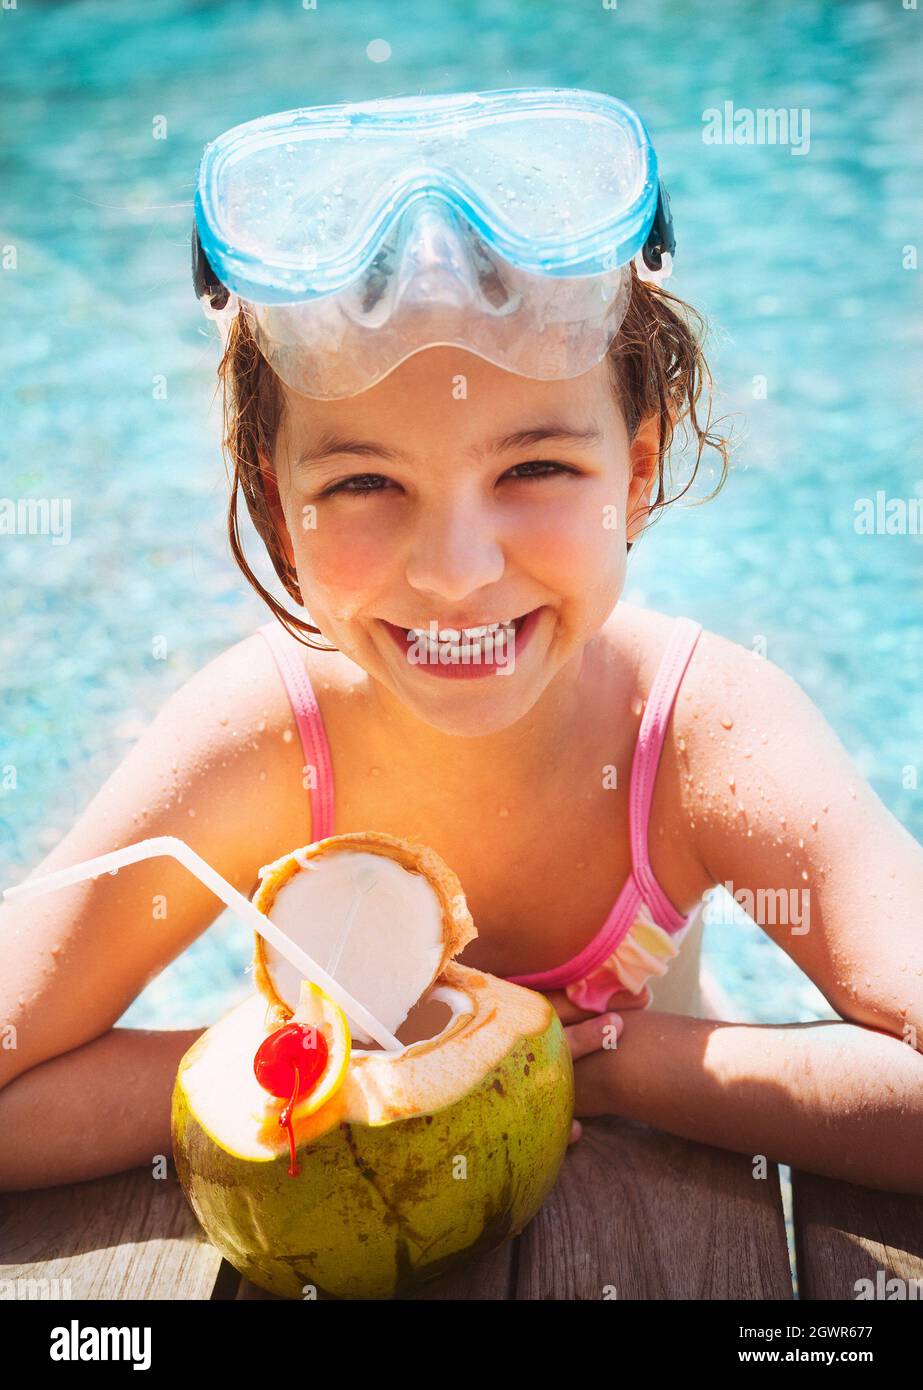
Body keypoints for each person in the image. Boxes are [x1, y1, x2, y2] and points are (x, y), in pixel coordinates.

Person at [1, 90, 921, 1195]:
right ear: (276, 507)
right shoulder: (262, 737)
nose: (455, 570)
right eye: (363, 482)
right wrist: (314, 1080)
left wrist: (619, 1069)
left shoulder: (692, 731)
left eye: (533, 469)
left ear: (631, 476)